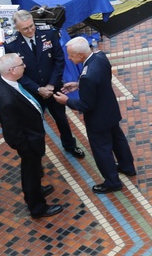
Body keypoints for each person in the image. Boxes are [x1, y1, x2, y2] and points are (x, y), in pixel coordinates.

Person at [54, 37, 137, 194]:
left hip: (98, 119)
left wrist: (66, 101)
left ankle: (112, 182)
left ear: (80, 55)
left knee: (102, 149)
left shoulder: (87, 76)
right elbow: (101, 80)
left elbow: (86, 105)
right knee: (118, 139)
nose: (69, 58)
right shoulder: (100, 57)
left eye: (71, 55)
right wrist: (80, 86)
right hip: (111, 110)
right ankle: (127, 167)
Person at [0, 53, 64, 218]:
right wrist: (26, 147)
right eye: (21, 64)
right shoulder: (7, 99)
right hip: (28, 142)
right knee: (30, 172)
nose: (25, 66)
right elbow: (12, 130)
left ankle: (35, 191)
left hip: (31, 137)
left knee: (32, 169)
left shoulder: (2, 81)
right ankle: (37, 207)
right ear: (12, 70)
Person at [5, 10, 85, 159]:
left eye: (31, 26)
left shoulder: (48, 33)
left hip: (53, 87)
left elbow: (59, 60)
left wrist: (50, 85)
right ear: (17, 29)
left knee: (62, 119)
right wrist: (37, 89)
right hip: (31, 92)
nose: (30, 30)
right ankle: (38, 157)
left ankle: (70, 145)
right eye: (25, 29)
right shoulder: (11, 45)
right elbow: (15, 74)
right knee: (35, 127)